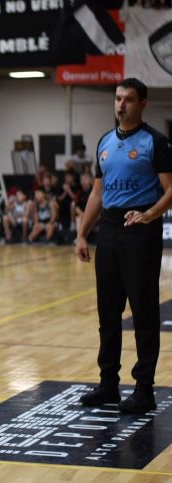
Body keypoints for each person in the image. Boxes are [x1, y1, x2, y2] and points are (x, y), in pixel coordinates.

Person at [76, 78, 172, 414]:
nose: (121, 105)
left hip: (140, 233)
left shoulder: (156, 143)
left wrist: (149, 215)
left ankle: (144, 390)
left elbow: (171, 189)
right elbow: (97, 194)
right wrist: (82, 233)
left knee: (144, 314)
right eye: (118, 99)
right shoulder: (104, 142)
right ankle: (108, 386)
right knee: (108, 313)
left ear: (142, 103)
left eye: (128, 99)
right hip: (110, 231)